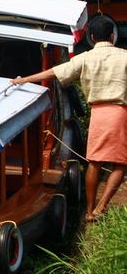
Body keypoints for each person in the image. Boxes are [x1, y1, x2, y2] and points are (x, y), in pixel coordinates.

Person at [11, 15, 127, 221]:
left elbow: (54, 72)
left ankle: (89, 211)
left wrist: (24, 80)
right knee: (120, 164)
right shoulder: (124, 56)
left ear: (91, 37)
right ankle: (102, 206)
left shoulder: (84, 58)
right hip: (119, 113)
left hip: (98, 114)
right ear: (112, 36)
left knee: (94, 162)